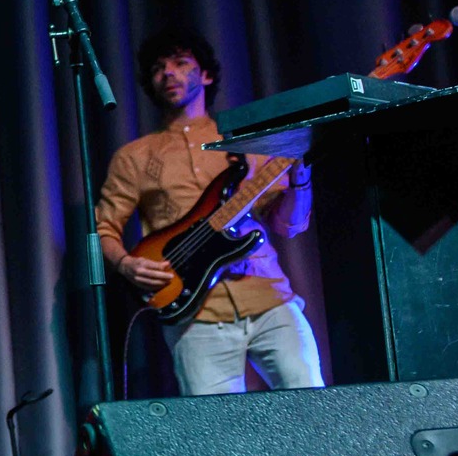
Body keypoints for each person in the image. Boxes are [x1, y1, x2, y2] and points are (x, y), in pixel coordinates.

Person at [96, 27, 321, 396]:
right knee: (215, 428)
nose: (167, 73)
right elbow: (105, 227)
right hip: (194, 315)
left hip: (270, 299)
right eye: (158, 68)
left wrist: (300, 180)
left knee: (315, 405)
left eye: (180, 63)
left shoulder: (244, 140)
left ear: (206, 74)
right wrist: (125, 264)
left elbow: (289, 225)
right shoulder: (134, 156)